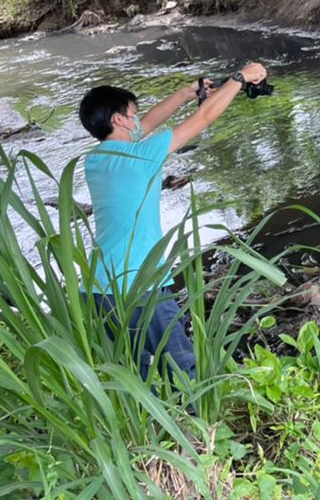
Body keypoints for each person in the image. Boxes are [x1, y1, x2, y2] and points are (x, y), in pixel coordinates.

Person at [77, 61, 268, 383]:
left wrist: (186, 92)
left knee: (134, 374)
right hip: (139, 286)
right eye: (133, 114)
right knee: (184, 371)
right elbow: (204, 118)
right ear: (119, 119)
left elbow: (144, 126)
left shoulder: (94, 161)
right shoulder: (142, 155)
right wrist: (239, 78)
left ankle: (147, 428)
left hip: (97, 288)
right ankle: (197, 428)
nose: (139, 119)